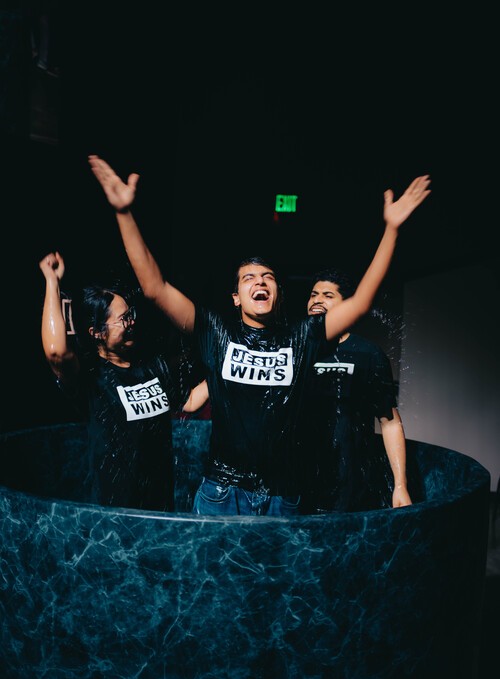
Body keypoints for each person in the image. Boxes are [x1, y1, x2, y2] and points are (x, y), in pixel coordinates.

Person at [88, 153, 430, 516]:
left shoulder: (303, 338)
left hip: (283, 497)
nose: (260, 282)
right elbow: (155, 288)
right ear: (236, 297)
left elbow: (360, 303)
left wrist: (391, 230)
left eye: (268, 277)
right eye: (249, 278)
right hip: (222, 494)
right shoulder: (215, 333)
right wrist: (124, 213)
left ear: (278, 293)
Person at [39, 250, 189, 512]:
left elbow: (188, 402)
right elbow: (56, 353)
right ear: (97, 332)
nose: (131, 323)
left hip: (160, 509)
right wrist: (52, 282)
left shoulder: (150, 366)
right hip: (115, 515)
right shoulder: (92, 377)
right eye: (123, 319)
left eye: (131, 315)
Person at [301, 268, 412, 514]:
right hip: (298, 486)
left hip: (351, 486)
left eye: (328, 295)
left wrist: (400, 485)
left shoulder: (368, 354)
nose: (317, 300)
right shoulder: (295, 349)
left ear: (347, 305)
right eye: (313, 294)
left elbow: (390, 421)